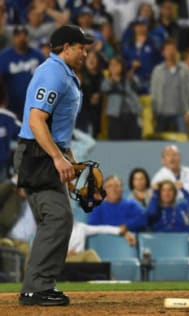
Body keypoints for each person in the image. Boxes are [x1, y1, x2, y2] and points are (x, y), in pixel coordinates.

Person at [13, 25, 94, 306]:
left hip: (47, 152)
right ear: (67, 47)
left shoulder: (64, 74)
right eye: (82, 47)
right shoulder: (52, 73)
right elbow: (36, 120)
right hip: (38, 155)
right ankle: (36, 288)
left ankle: (40, 285)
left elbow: (56, 127)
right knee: (57, 219)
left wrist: (68, 158)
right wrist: (58, 158)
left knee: (58, 220)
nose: (86, 52)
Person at [67, 220, 136, 263]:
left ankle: (104, 279)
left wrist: (121, 231)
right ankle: (106, 278)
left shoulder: (81, 227)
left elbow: (101, 229)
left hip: (79, 260)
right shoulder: (57, 227)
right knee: (90, 254)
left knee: (89, 255)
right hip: (62, 260)